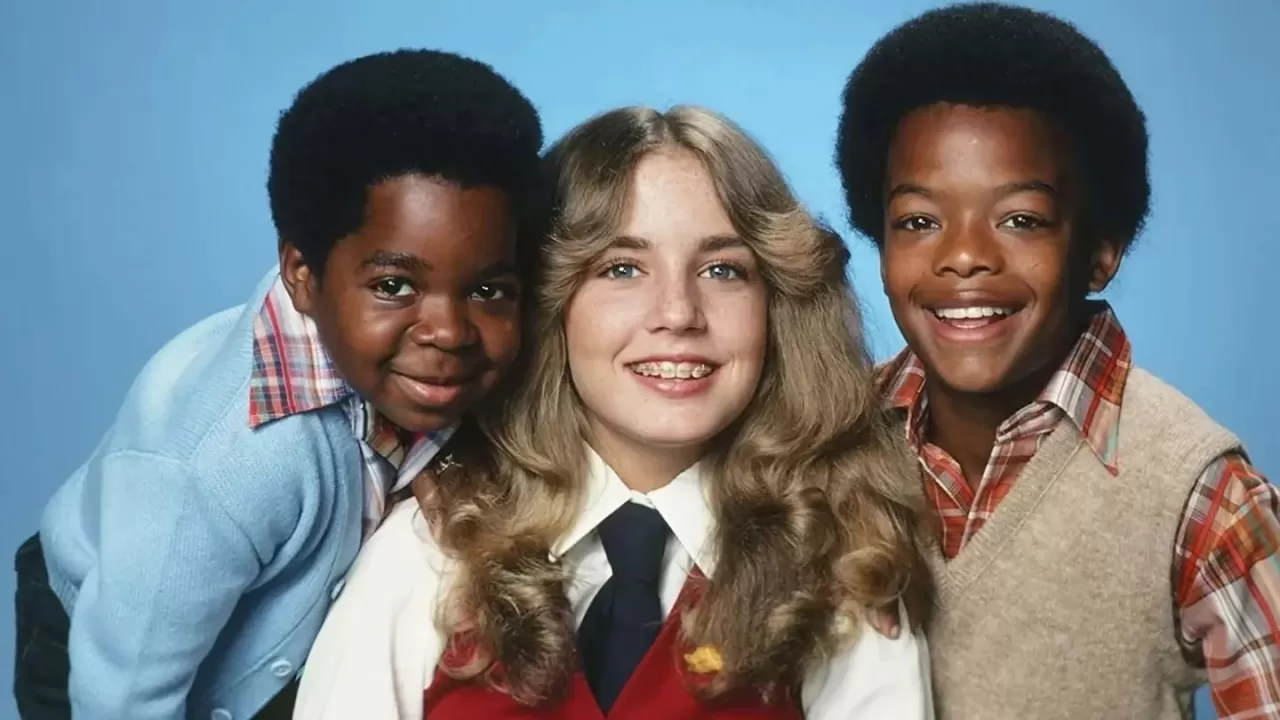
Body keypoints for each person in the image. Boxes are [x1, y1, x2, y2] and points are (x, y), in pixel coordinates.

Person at [291, 105, 935, 719]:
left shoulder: (845, 571)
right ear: (551, 302)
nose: (678, 313)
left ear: (777, 305)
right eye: (622, 268)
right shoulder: (427, 550)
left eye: (722, 270)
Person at [13, 49, 542, 720]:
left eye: (488, 290)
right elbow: (121, 696)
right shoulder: (222, 466)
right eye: (394, 286)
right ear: (302, 275)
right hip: (108, 655)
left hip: (277, 613)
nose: (449, 332)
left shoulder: (387, 351)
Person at [835, 3, 1280, 719]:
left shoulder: (1196, 492)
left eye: (1021, 220)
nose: (964, 256)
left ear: (1100, 252)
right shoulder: (828, 440)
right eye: (918, 221)